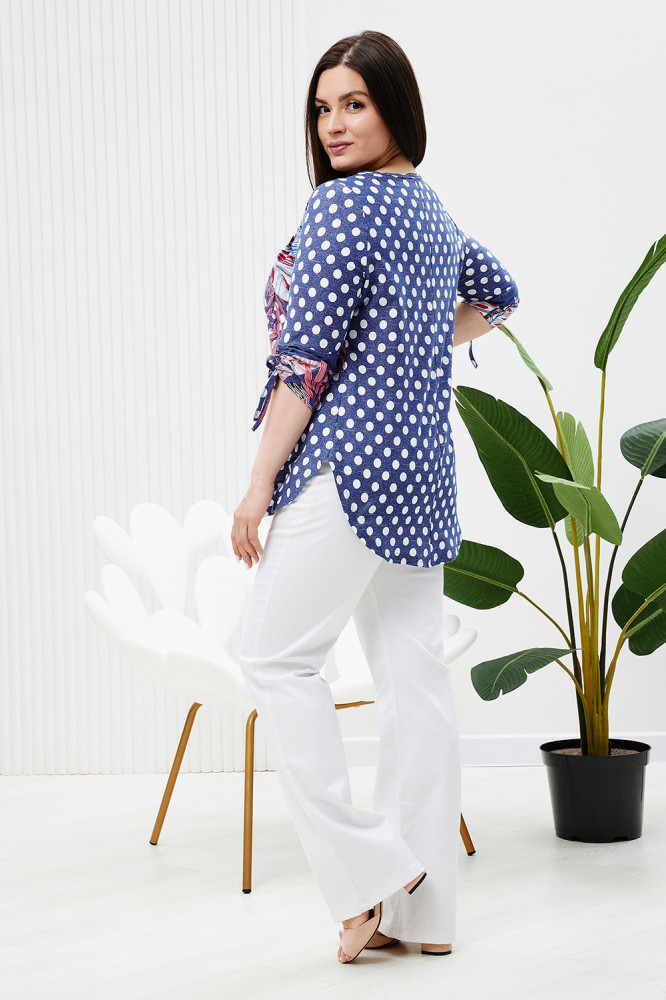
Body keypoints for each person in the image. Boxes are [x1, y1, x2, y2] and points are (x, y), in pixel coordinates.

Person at [232, 30, 519, 965]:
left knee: (272, 657)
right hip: (422, 476)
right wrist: (417, 339)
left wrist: (258, 484)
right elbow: (499, 295)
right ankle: (424, 917)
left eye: (354, 103)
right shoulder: (430, 211)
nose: (334, 124)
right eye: (323, 108)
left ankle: (369, 874)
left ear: (396, 105)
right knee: (413, 684)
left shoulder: (341, 207)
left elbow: (304, 364)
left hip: (347, 471)